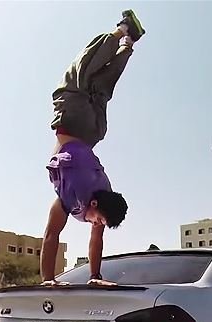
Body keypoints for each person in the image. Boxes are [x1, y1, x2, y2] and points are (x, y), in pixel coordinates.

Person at [40, 10, 145, 285]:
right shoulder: (72, 196)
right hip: (74, 124)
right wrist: (48, 279)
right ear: (94, 203)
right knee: (79, 75)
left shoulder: (104, 198)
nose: (97, 224)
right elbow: (51, 235)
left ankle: (128, 45)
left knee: (101, 89)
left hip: (95, 132)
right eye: (99, 219)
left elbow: (96, 240)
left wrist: (95, 276)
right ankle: (122, 29)